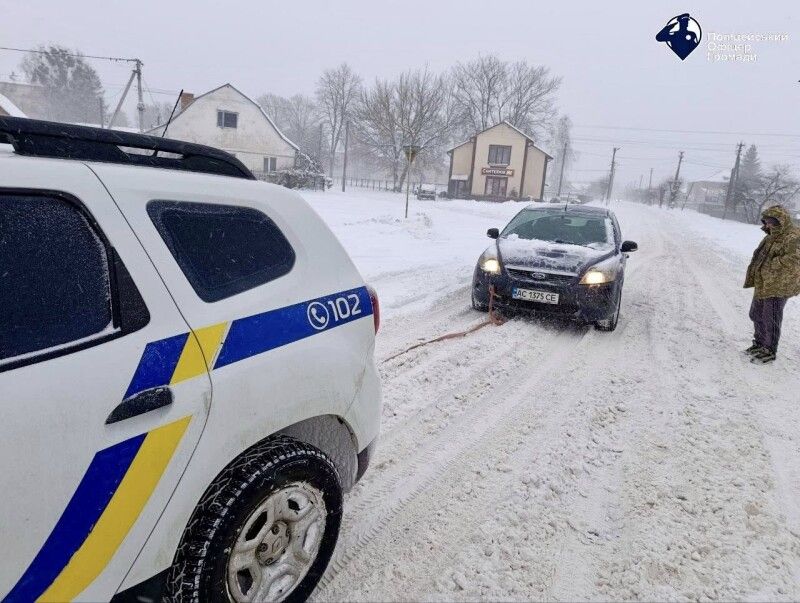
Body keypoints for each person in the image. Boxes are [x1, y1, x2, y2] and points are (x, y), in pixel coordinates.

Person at [744, 205, 800, 363]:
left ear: (780, 220)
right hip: (765, 282)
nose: (767, 225)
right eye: (766, 221)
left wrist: (769, 265)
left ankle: (769, 349)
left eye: (770, 221)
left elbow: (795, 260)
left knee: (771, 318)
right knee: (756, 314)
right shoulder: (771, 235)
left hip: (779, 285)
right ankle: (760, 344)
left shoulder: (794, 236)